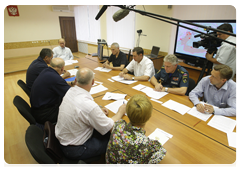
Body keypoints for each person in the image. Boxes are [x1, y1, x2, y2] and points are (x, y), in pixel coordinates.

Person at [55, 68, 126, 160]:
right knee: (115, 139)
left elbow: (84, 108)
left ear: (75, 80)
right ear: (93, 82)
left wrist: (98, 109)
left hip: (63, 139)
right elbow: (109, 125)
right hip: (75, 149)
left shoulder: (70, 91)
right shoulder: (89, 106)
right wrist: (120, 111)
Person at [106, 94, 182, 167]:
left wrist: (120, 112)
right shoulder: (151, 147)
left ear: (127, 113)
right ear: (149, 116)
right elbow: (177, 166)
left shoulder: (117, 125)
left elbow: (114, 119)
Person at [30, 58, 71, 124]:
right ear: (62, 68)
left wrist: (70, 83)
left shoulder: (46, 71)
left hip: (38, 109)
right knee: (73, 110)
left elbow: (55, 83)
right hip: (46, 114)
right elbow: (71, 94)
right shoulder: (55, 78)